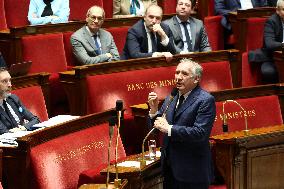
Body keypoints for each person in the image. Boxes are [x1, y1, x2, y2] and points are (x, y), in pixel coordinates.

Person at [148, 58, 216, 189]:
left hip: (193, 171)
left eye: (184, 74)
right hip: (170, 169)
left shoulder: (205, 100)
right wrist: (154, 110)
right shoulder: (172, 97)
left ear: (196, 79)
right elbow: (157, 128)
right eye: (177, 72)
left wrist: (170, 129)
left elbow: (200, 133)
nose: (178, 77)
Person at [248, 0, 284, 84]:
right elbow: (270, 44)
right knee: (268, 71)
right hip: (272, 57)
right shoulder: (271, 21)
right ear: (277, 10)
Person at [0, 68, 40, 134]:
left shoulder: (13, 98)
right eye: (4, 81)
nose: (10, 85)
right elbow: (4, 132)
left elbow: (35, 120)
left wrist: (23, 128)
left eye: (10, 80)